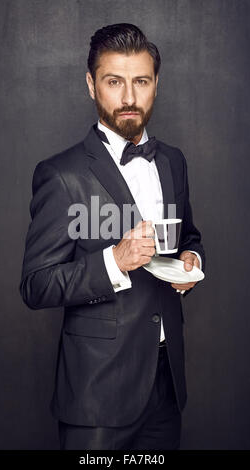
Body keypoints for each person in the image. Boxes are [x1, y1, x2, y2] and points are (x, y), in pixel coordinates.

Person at [19, 23, 205, 450]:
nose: (128, 98)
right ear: (91, 85)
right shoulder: (61, 174)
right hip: (96, 396)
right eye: (113, 81)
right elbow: (36, 285)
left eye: (140, 81)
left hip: (166, 386)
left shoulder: (173, 162)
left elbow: (189, 238)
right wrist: (113, 262)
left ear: (155, 83)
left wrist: (192, 262)